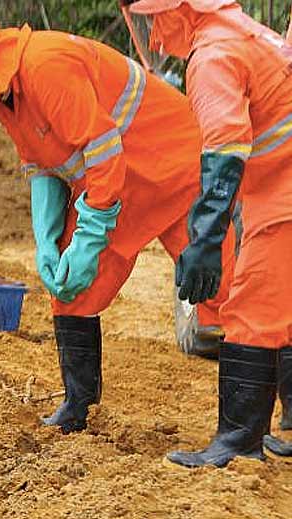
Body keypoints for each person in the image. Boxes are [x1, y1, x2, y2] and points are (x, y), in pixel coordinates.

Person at [0, 18, 235, 434]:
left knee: (226, 292)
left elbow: (103, 152)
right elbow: (42, 164)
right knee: (70, 287)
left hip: (171, 168)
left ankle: (267, 418)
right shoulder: (5, 93)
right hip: (122, 180)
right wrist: (46, 239)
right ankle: (78, 405)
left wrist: (91, 236)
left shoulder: (45, 66)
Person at [119, 0, 292, 466]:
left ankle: (236, 443)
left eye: (152, 18)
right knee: (284, 316)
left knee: (252, 315)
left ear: (177, 11)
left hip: (283, 197)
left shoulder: (213, 55)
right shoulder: (243, 31)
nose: (152, 33)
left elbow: (226, 148)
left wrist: (206, 240)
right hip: (276, 189)